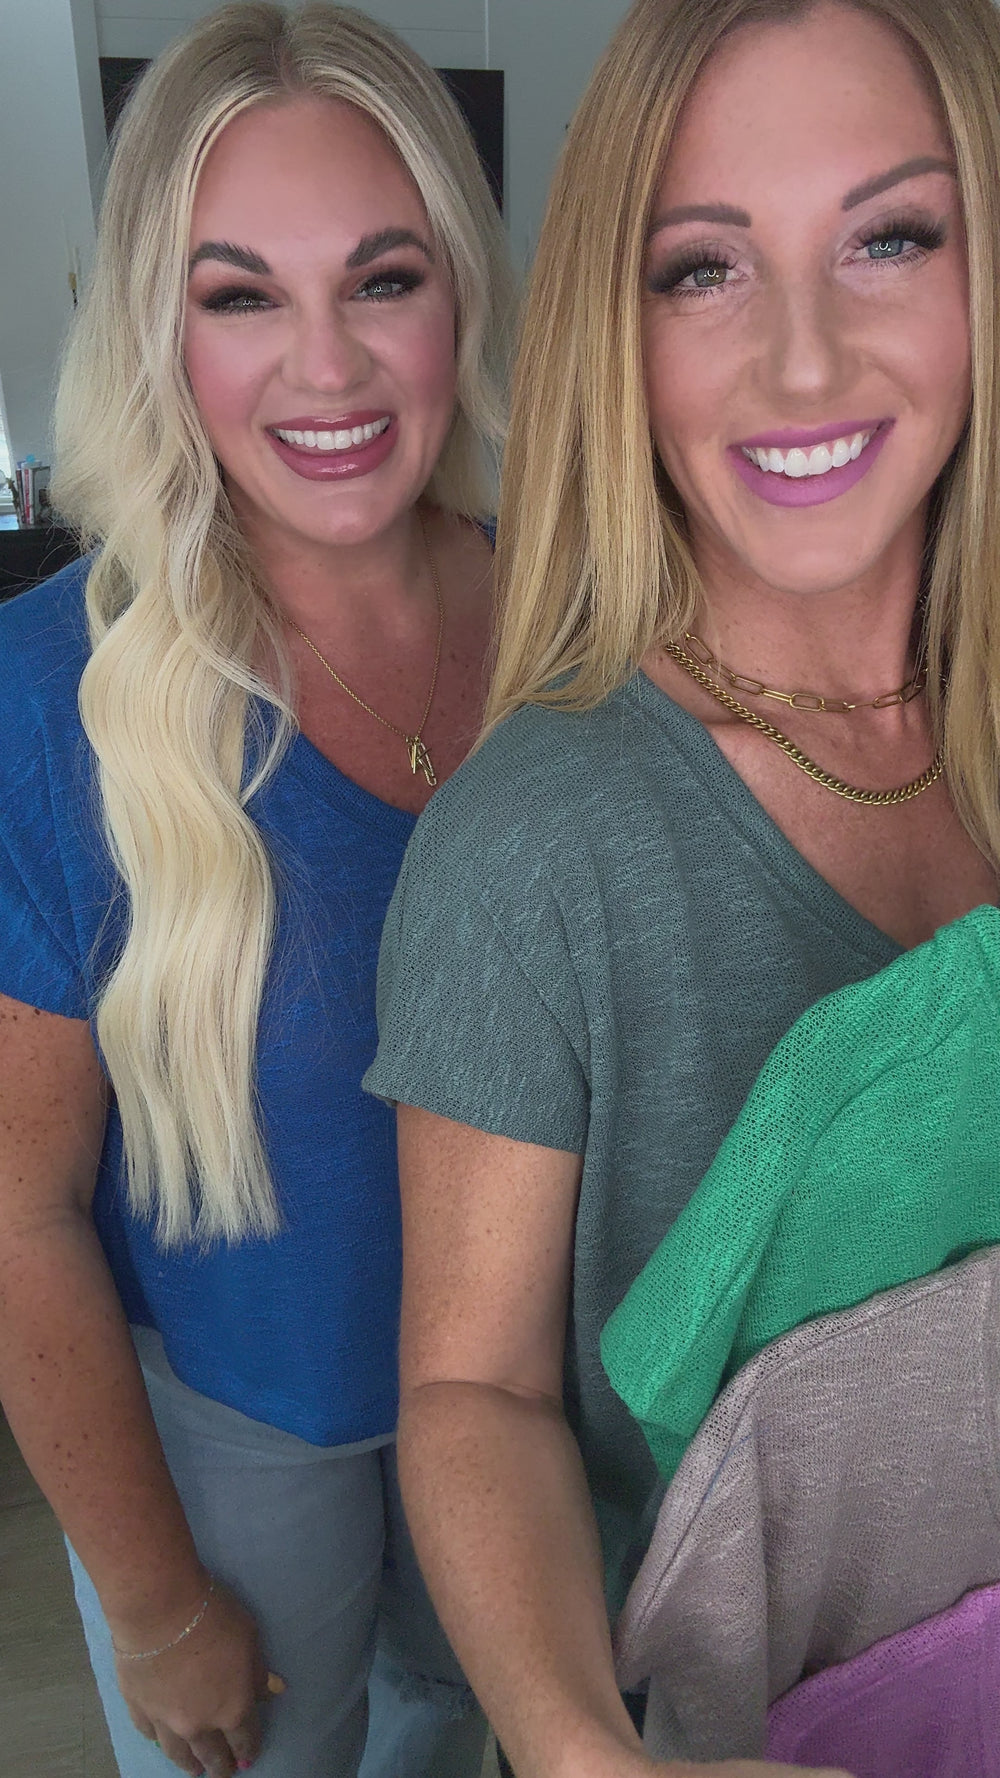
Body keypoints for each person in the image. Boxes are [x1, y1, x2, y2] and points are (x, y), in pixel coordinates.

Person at [363, 0, 1000, 1773]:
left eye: (890, 237)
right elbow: (473, 1389)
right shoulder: (535, 840)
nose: (803, 362)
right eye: (704, 268)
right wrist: (590, 1757)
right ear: (617, 334)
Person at [0, 5, 511, 1777]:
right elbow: (13, 1207)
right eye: (241, 296)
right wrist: (153, 1603)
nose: (329, 367)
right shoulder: (48, 702)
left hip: (533, 1408)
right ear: (161, 331)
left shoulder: (586, 628)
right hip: (238, 1439)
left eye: (383, 278)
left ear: (460, 294)